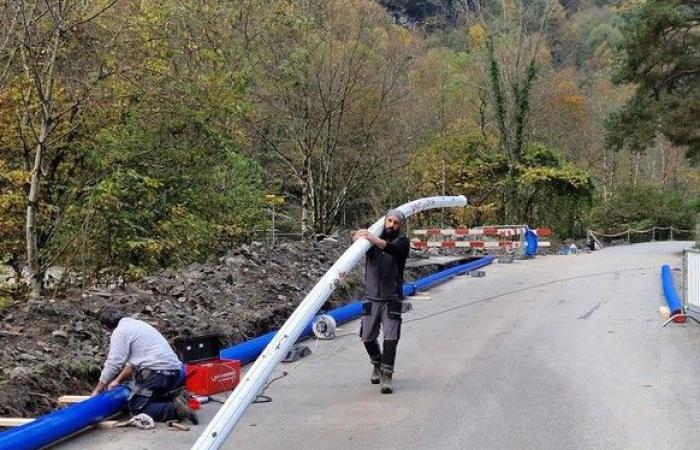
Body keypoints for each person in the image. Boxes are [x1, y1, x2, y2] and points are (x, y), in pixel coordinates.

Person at [91, 307, 198, 424]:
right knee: (150, 397)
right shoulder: (137, 325)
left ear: (106, 327)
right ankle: (174, 399)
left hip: (158, 374)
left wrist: (97, 390)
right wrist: (117, 381)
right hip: (174, 372)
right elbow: (132, 363)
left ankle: (176, 410)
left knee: (138, 407)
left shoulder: (120, 332)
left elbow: (113, 363)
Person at [353, 209, 410, 394]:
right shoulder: (369, 243)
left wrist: (372, 239)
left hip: (392, 298)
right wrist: (358, 236)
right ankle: (376, 363)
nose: (392, 225)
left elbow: (392, 249)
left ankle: (387, 374)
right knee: (367, 336)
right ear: (384, 221)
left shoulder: (403, 242)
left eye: (396, 223)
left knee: (391, 338)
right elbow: (354, 246)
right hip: (371, 298)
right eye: (389, 221)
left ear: (400, 226)